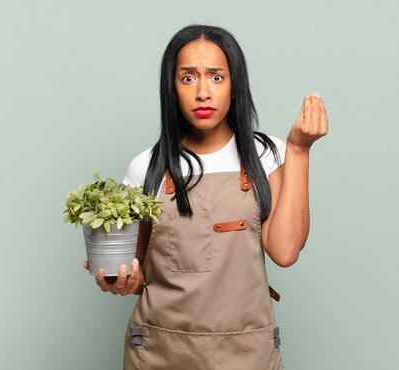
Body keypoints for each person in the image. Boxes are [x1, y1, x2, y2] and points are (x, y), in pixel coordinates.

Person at [84, 24, 328, 369]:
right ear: (171, 89)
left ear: (235, 86)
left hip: (247, 353)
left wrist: (299, 150)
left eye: (216, 77)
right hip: (159, 353)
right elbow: (138, 273)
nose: (202, 92)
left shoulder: (266, 155)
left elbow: (285, 252)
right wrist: (119, 280)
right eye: (187, 78)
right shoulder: (147, 167)